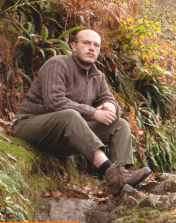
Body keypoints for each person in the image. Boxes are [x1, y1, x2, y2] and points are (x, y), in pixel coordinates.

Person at [11, 29, 151, 196]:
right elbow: (54, 102)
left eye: (96, 45)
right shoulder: (58, 64)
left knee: (120, 125)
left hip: (61, 141)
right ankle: (109, 171)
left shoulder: (97, 76)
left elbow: (112, 102)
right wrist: (93, 113)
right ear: (73, 46)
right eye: (86, 43)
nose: (92, 48)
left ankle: (120, 177)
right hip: (29, 126)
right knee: (70, 115)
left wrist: (110, 106)